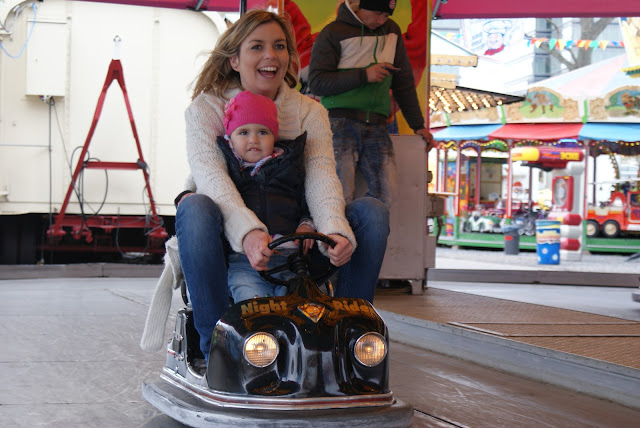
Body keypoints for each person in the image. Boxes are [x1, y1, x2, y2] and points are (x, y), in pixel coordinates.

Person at [173, 9, 389, 363]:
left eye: (279, 46)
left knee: (372, 212)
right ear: (234, 60)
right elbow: (212, 180)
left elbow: (321, 176)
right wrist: (248, 233)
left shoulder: (309, 112)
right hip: (228, 245)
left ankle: (348, 340)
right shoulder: (207, 108)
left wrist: (333, 229)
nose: (270, 56)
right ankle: (217, 351)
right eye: (257, 47)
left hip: (297, 243)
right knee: (194, 205)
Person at [308, 0, 433, 206]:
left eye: (386, 15)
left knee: (386, 195)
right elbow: (317, 83)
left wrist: (418, 125)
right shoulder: (333, 32)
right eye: (376, 13)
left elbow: (403, 83)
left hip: (377, 124)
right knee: (339, 196)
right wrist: (364, 75)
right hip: (339, 123)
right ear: (359, 6)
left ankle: (365, 227)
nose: (381, 20)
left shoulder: (392, 31)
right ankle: (336, 229)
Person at [218, 90, 315, 302]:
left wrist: (307, 224)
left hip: (291, 259)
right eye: (243, 132)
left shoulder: (289, 166)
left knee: (298, 308)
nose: (253, 139)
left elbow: (307, 198)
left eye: (263, 132)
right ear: (230, 139)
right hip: (244, 261)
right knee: (253, 307)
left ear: (274, 137)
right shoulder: (229, 171)